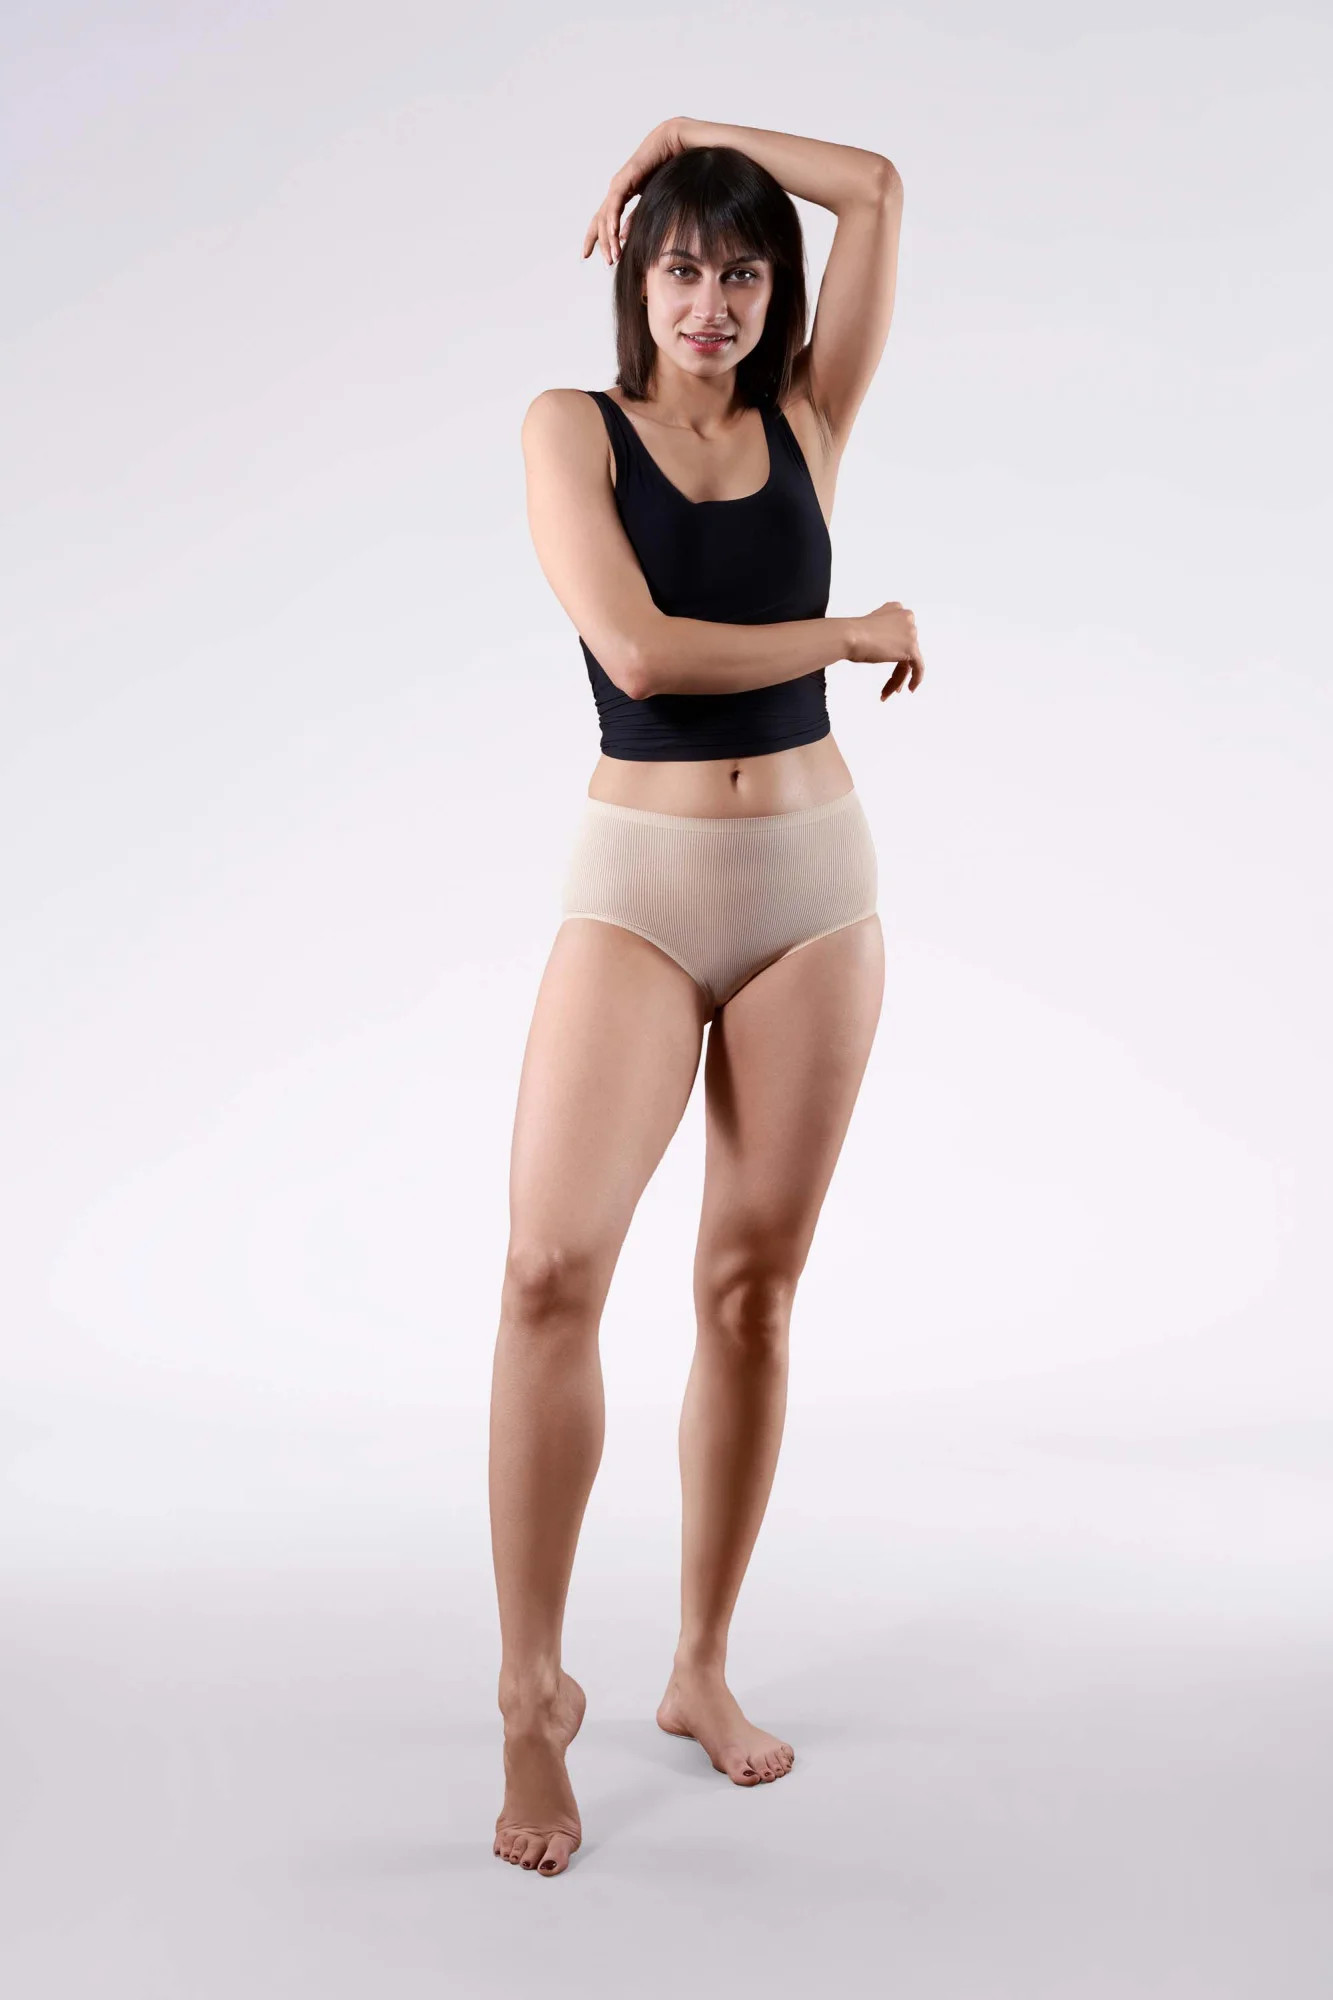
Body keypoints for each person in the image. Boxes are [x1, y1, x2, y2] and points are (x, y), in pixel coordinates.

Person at [491, 116, 920, 1877]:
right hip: (642, 886)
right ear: (633, 272)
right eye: (681, 263)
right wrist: (845, 634)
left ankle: (696, 1665)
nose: (712, 302)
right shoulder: (567, 430)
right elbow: (642, 654)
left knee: (748, 1295)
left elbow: (874, 186)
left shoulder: (806, 421)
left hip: (812, 891)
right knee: (547, 1272)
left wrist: (688, 132)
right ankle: (532, 1696)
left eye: (743, 271)